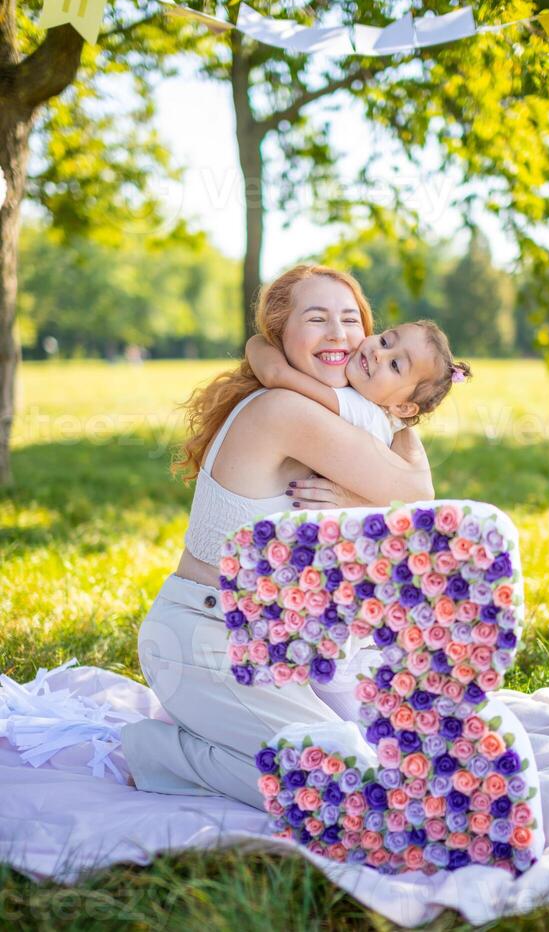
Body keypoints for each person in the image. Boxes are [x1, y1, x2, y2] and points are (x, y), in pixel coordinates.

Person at [121, 262, 471, 809]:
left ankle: (214, 735)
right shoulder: (287, 410)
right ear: (283, 334)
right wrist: (367, 496)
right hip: (206, 638)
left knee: (407, 755)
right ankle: (162, 753)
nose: (338, 334)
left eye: (350, 319)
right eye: (316, 319)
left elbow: (403, 511)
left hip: (275, 647)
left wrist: (362, 498)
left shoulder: (348, 413)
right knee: (349, 788)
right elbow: (419, 497)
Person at [245, 319, 472, 455]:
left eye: (394, 365)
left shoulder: (363, 412)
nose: (378, 353)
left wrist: (257, 340)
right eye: (385, 341)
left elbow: (275, 374)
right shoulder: (382, 415)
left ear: (403, 407)